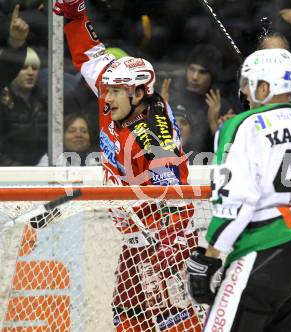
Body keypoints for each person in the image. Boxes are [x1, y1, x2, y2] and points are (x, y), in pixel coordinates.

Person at [53, 1, 201, 331]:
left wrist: (170, 247)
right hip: (133, 233)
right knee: (126, 311)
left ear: (139, 95)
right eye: (109, 88)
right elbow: (90, 55)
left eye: (117, 91)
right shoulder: (114, 88)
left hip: (158, 238)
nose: (107, 98)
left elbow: (175, 197)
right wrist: (76, 15)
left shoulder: (154, 132)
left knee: (169, 316)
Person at [186, 48, 291, 332]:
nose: (244, 93)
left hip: (265, 255)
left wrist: (209, 257)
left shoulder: (243, 125)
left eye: (247, 85)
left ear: (264, 87)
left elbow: (237, 201)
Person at [161, 44, 235, 162]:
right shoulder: (171, 98)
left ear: (212, 76)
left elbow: (227, 154)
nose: (195, 77)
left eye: (202, 72)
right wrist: (157, 110)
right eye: (192, 69)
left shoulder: (220, 106)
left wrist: (213, 123)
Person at [0, 46, 47, 166]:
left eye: (35, 68)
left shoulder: (46, 100)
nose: (30, 72)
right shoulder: (3, 103)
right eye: (24, 68)